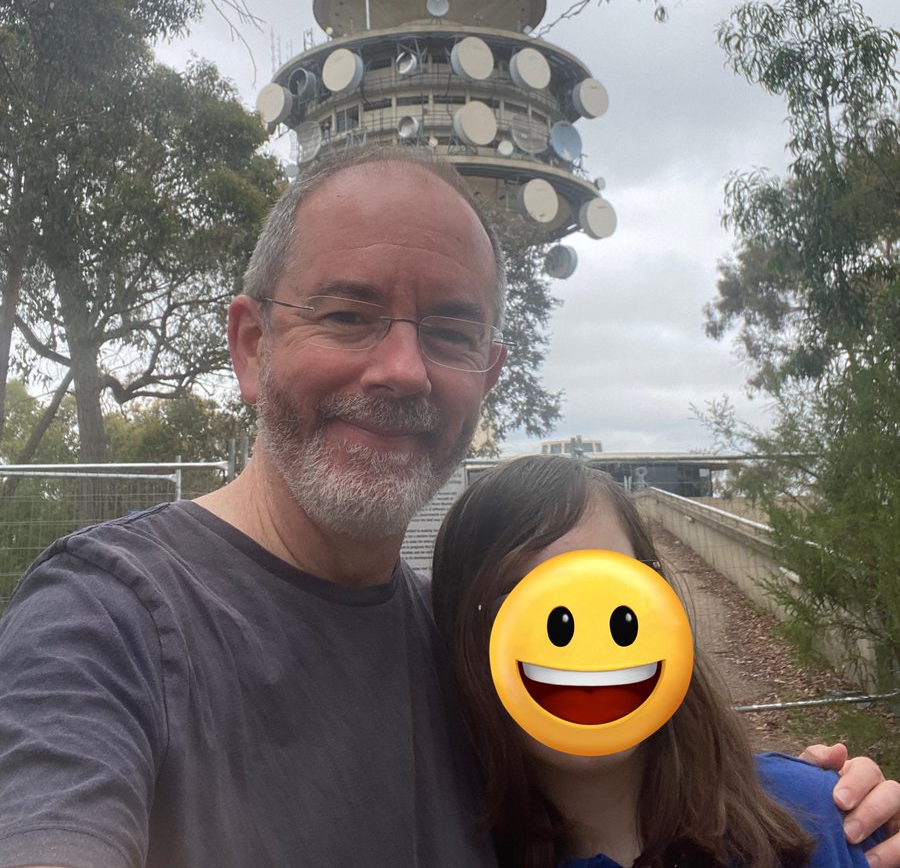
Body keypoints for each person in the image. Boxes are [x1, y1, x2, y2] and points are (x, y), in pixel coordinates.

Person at [0, 147, 896, 868]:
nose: (402, 370)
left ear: (489, 373)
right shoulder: (110, 624)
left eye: (451, 332)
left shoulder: (463, 651)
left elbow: (626, 775)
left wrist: (807, 805)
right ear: (251, 345)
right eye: (348, 315)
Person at [431, 454, 897, 868]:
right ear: (464, 640)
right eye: (531, 607)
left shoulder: (818, 818)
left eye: (616, 598)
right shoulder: (429, 847)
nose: (589, 650)